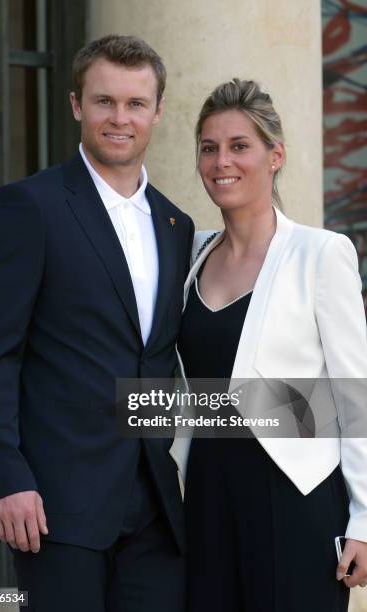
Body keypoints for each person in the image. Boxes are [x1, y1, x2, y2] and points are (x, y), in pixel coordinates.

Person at [0, 34, 194, 611]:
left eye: (136, 104)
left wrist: (304, 414)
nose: (120, 118)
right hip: (56, 504)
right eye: (103, 101)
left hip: (156, 507)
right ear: (75, 105)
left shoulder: (176, 225)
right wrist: (5, 476)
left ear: (158, 111)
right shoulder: (28, 207)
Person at [170, 78, 367, 612]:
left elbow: (355, 398)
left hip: (295, 497)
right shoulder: (190, 256)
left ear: (274, 155)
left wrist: (365, 522)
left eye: (239, 146)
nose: (220, 162)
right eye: (208, 148)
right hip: (208, 497)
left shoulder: (320, 253)